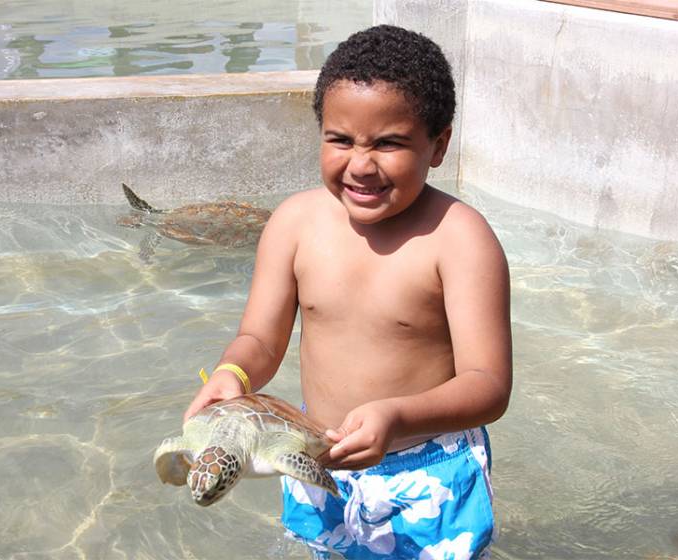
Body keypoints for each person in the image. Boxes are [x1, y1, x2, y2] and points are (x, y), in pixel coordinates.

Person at [184, 24, 512, 559]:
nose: (361, 164)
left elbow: (489, 385)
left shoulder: (459, 239)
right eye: (340, 139)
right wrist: (233, 374)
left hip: (426, 472)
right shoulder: (294, 224)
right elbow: (260, 341)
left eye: (389, 143)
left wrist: (396, 416)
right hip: (313, 453)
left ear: (439, 145)